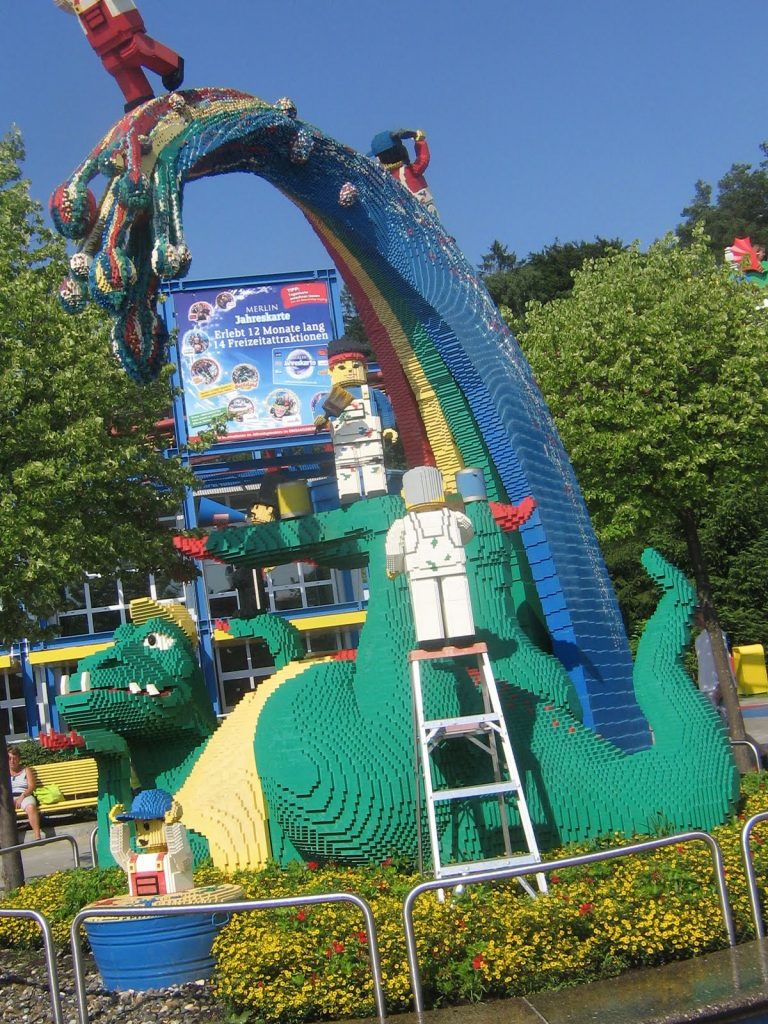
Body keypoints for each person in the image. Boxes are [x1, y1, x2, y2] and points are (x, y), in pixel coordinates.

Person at [385, 466, 476, 648]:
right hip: (452, 563)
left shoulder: (403, 523)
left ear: (406, 495)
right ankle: (463, 634)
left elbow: (394, 547)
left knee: (425, 602)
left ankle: (430, 638)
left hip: (419, 569)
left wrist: (394, 568)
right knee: (457, 598)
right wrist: (457, 541)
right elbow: (468, 531)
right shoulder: (453, 516)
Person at [314, 336, 398, 505]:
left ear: (364, 368)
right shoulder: (331, 397)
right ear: (331, 371)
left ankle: (376, 488)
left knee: (373, 461)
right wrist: (320, 420)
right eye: (342, 367)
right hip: (343, 440)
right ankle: (348, 492)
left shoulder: (372, 393)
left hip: (370, 437)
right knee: (345, 465)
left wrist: (389, 426)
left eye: (355, 366)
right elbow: (320, 415)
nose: (350, 370)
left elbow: (386, 409)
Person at [369, 129, 438, 217]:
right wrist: (419, 140)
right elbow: (423, 159)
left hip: (409, 216)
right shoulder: (411, 171)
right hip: (424, 210)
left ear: (379, 158)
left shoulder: (385, 180)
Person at [8, 747, 42, 841]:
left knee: (30, 807)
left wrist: (22, 796)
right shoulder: (3, 772)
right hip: (9, 797)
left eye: (14, 758)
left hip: (24, 795)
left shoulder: (26, 770)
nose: (12, 761)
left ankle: (37, 836)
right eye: (9, 758)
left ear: (19, 759)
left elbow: (31, 786)